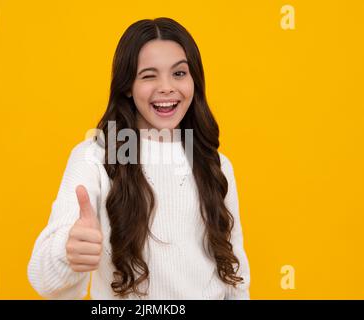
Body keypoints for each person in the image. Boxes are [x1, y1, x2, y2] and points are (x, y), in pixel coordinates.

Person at [27, 17, 250, 300]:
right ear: (127, 87)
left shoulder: (214, 163)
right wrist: (68, 253)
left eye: (179, 73)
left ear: (195, 81)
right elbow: (43, 279)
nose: (167, 87)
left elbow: (235, 272)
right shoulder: (94, 158)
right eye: (149, 75)